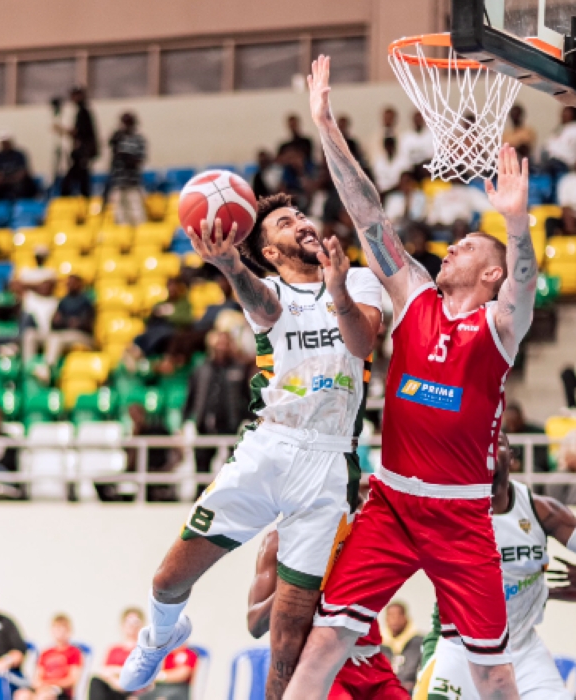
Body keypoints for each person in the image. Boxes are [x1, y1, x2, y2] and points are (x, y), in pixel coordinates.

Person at [284, 56, 541, 700]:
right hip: (392, 500)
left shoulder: (500, 326)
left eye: (469, 247)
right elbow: (369, 214)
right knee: (327, 640)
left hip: (460, 514)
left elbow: (526, 283)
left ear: (491, 273)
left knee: (493, 671)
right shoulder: (415, 295)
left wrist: (514, 223)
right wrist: (326, 126)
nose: (452, 246)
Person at [115, 193, 383, 700]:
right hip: (267, 449)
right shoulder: (268, 291)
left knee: (287, 641)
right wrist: (231, 266)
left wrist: (338, 289)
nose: (302, 222)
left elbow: (362, 343)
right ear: (272, 252)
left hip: (329, 466)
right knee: (168, 582)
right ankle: (160, 636)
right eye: (287, 222)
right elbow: (262, 304)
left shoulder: (357, 279)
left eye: (302, 215)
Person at [413, 432, 576, 700]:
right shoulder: (451, 512)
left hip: (522, 652)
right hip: (459, 649)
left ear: (512, 457)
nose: (487, 450)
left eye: (496, 443)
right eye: (479, 444)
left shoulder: (542, 511)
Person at [247, 529, 410, 700]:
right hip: (322, 665)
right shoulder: (278, 541)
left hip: (371, 661)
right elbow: (255, 625)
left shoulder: (364, 527)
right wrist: (295, 586)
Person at [183, 330, 253, 479]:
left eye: (225, 342)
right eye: (218, 342)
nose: (221, 346)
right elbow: (191, 397)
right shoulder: (201, 369)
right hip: (204, 427)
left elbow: (247, 398)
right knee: (201, 469)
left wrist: (248, 420)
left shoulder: (239, 369)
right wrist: (187, 421)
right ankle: (201, 499)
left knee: (230, 470)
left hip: (230, 427)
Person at [22, 274, 95, 367]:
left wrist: (66, 321)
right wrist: (67, 321)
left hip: (81, 336)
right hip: (61, 333)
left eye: (73, 282)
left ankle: (48, 367)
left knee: (56, 338)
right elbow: (55, 322)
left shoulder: (86, 301)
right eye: (68, 282)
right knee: (30, 334)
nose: (69, 285)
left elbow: (84, 324)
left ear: (80, 284)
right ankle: (28, 367)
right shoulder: (63, 301)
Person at [16, 614, 84, 700]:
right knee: (22, 695)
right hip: (42, 688)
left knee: (44, 697)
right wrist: (40, 685)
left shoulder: (74, 652)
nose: (60, 633)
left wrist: (50, 683)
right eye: (57, 629)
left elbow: (72, 680)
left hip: (60, 690)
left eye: (63, 630)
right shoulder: (46, 653)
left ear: (69, 631)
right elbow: (37, 677)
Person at [92, 608, 145, 700]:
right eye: (129, 621)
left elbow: (140, 673)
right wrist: (116, 682)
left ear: (141, 625)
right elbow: (105, 672)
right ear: (122, 625)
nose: (132, 625)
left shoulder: (144, 649)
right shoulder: (113, 649)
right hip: (115, 687)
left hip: (135, 691)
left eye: (135, 621)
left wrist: (115, 671)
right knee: (96, 681)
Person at [57, 86, 99, 198]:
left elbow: (80, 132)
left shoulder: (83, 112)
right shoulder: (82, 111)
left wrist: (62, 130)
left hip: (82, 154)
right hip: (81, 154)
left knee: (77, 180)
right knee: (78, 178)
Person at [107, 112, 148, 226]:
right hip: (118, 182)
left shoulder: (138, 140)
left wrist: (125, 156)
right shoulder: (118, 138)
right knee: (119, 214)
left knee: (136, 212)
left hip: (132, 182)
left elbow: (139, 160)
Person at [380, 601, 423, 692]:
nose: (395, 620)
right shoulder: (379, 645)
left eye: (399, 615)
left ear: (405, 618)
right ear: (386, 619)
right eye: (391, 616)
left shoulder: (420, 643)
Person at [543, 107, 576, 179]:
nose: (563, 115)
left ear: (575, 114)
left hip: (566, 165)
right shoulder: (559, 129)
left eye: (566, 113)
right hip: (550, 162)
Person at [500, 402, 550, 476]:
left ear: (521, 417)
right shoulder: (500, 435)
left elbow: (542, 460)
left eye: (515, 422)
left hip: (533, 470)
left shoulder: (537, 433)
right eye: (509, 422)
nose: (512, 426)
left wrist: (520, 466)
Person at [0, 132, 38, 201]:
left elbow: (23, 172)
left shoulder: (19, 155)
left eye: (6, 142)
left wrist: (10, 179)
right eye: (3, 143)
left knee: (20, 186)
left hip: (16, 183)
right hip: (2, 184)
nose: (5, 145)